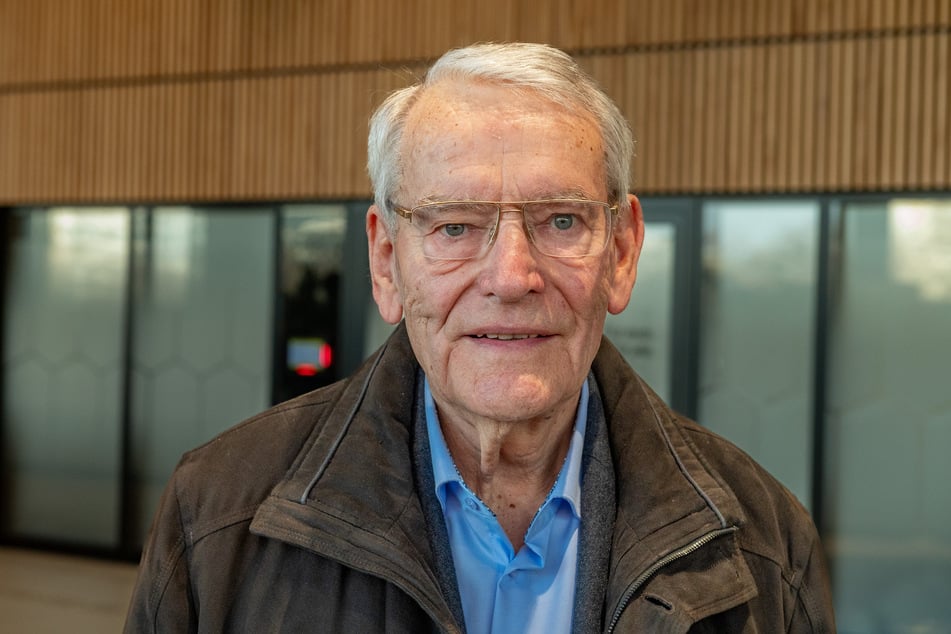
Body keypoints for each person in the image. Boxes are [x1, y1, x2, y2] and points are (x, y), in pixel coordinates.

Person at [125, 42, 835, 632]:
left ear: (620, 254)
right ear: (384, 262)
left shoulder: (763, 541)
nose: (510, 276)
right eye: (454, 226)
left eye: (561, 221)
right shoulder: (219, 513)